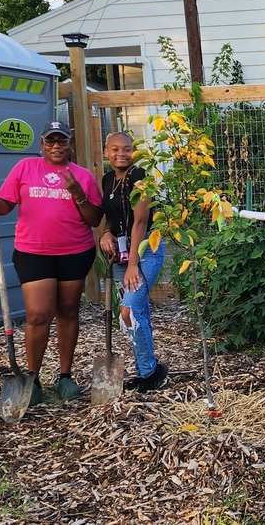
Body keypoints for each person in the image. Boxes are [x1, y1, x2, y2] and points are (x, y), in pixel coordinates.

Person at [0, 121, 103, 404]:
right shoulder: (25, 168)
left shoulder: (82, 176)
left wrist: (77, 192)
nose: (56, 146)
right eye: (51, 141)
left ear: (69, 143)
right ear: (42, 145)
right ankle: (32, 377)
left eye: (61, 141)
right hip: (33, 252)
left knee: (68, 310)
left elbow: (94, 219)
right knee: (37, 314)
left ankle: (64, 376)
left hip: (75, 251)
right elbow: (4, 207)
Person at [99, 132, 168, 392]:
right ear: (106, 151)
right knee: (135, 312)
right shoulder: (107, 179)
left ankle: (150, 370)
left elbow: (140, 221)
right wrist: (106, 232)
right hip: (122, 251)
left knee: (129, 310)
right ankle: (148, 370)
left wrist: (132, 265)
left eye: (127, 149)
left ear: (134, 151)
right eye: (115, 149)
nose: (121, 154)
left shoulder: (140, 178)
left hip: (145, 248)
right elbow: (111, 217)